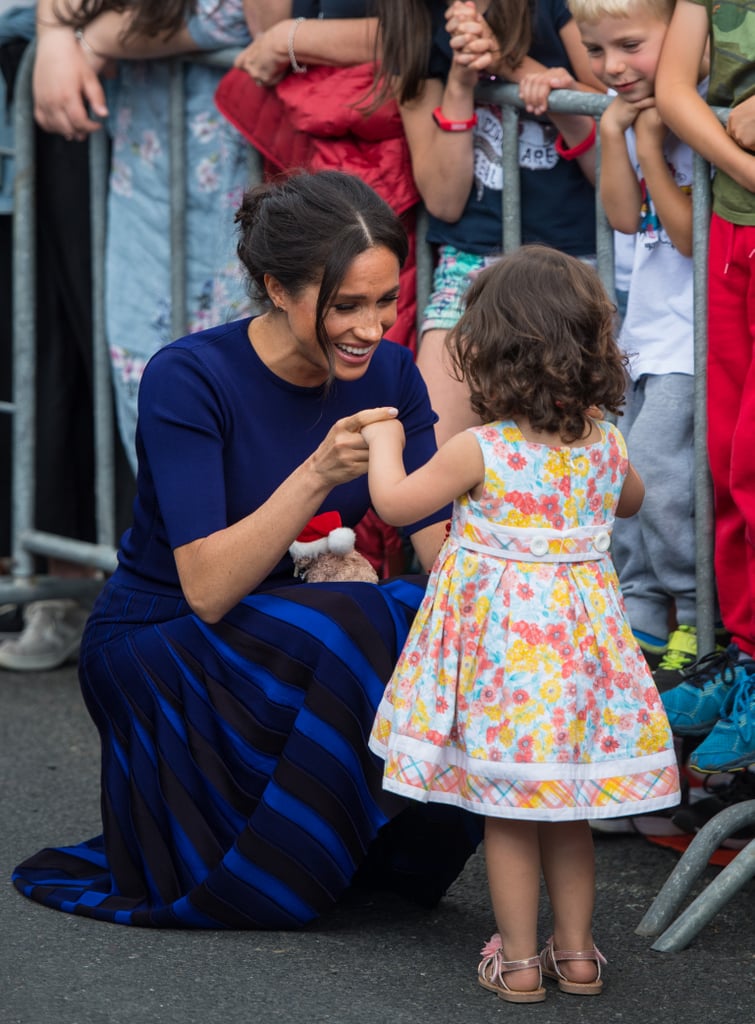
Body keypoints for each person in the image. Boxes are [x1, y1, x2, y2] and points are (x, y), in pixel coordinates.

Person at [11, 170, 481, 927]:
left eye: (387, 301)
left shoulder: (393, 373)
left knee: (439, 610)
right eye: (346, 305)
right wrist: (317, 475)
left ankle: (385, 850)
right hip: (162, 637)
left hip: (300, 629)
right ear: (277, 287)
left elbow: (443, 550)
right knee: (365, 616)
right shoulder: (190, 376)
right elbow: (205, 587)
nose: (373, 327)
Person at [362, 246, 681, 1001]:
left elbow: (398, 507)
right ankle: (575, 956)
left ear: (489, 351)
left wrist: (381, 444)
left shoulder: (481, 448)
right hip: (580, 663)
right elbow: (629, 501)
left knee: (507, 813)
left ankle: (515, 962)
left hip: (506, 664)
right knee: (565, 807)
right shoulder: (604, 442)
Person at [33, 0, 254, 473]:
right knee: (147, 391)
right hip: (144, 192)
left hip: (244, 194)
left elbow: (240, 13)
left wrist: (92, 40)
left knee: (239, 404)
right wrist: (53, 35)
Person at [376, 0, 604, 444]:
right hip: (470, 264)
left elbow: (617, 138)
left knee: (565, 459)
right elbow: (444, 200)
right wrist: (460, 85)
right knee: (429, 450)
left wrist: (520, 71)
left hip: (571, 267)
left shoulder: (553, 8)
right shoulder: (414, 20)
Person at [568, 0, 708, 686]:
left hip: (692, 339)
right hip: (646, 337)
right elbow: (623, 217)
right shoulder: (627, 109)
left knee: (660, 479)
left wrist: (652, 141)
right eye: (596, 52)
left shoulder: (695, 113)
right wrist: (614, 131)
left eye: (629, 46)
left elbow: (689, 237)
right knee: (618, 468)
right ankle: (642, 612)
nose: (610, 67)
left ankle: (694, 614)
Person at [654, 0, 755, 772]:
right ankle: (745, 655)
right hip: (731, 224)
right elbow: (674, 88)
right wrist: (739, 159)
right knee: (724, 457)